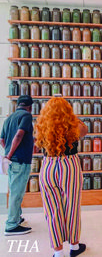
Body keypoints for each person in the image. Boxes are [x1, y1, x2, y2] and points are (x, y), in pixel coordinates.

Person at [34, 96, 88, 257]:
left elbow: (37, 143)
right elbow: (84, 131)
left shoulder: (42, 125)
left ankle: (58, 252)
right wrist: (71, 116)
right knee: (72, 206)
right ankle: (74, 246)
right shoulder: (73, 125)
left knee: (51, 209)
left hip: (48, 166)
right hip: (69, 165)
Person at [0, 95, 34, 236]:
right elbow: (19, 135)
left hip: (12, 161)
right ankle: (11, 225)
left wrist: (8, 152)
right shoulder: (26, 116)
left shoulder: (9, 118)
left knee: (15, 190)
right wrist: (11, 154)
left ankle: (17, 218)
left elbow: (2, 139)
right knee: (16, 193)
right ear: (30, 107)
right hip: (19, 160)